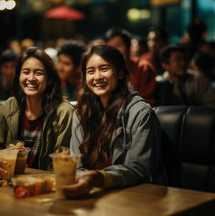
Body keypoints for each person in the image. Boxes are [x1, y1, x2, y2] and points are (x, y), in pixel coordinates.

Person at [62, 44, 165, 198]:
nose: (97, 77)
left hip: (135, 197)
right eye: (91, 71)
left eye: (104, 69)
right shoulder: (82, 113)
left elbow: (140, 169)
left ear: (120, 73)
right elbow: (76, 165)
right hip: (93, 193)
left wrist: (98, 178)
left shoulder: (141, 113)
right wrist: (83, 181)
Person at [0, 47, 74, 176]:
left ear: (50, 79)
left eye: (39, 73)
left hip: (46, 187)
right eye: (26, 72)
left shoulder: (64, 113)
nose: (31, 78)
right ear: (19, 76)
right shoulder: (7, 108)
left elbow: (62, 161)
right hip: (7, 183)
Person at [105, 27, 156, 106]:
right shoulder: (106, 70)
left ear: (128, 47)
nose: (114, 50)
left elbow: (146, 100)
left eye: (118, 45)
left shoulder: (143, 67)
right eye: (110, 47)